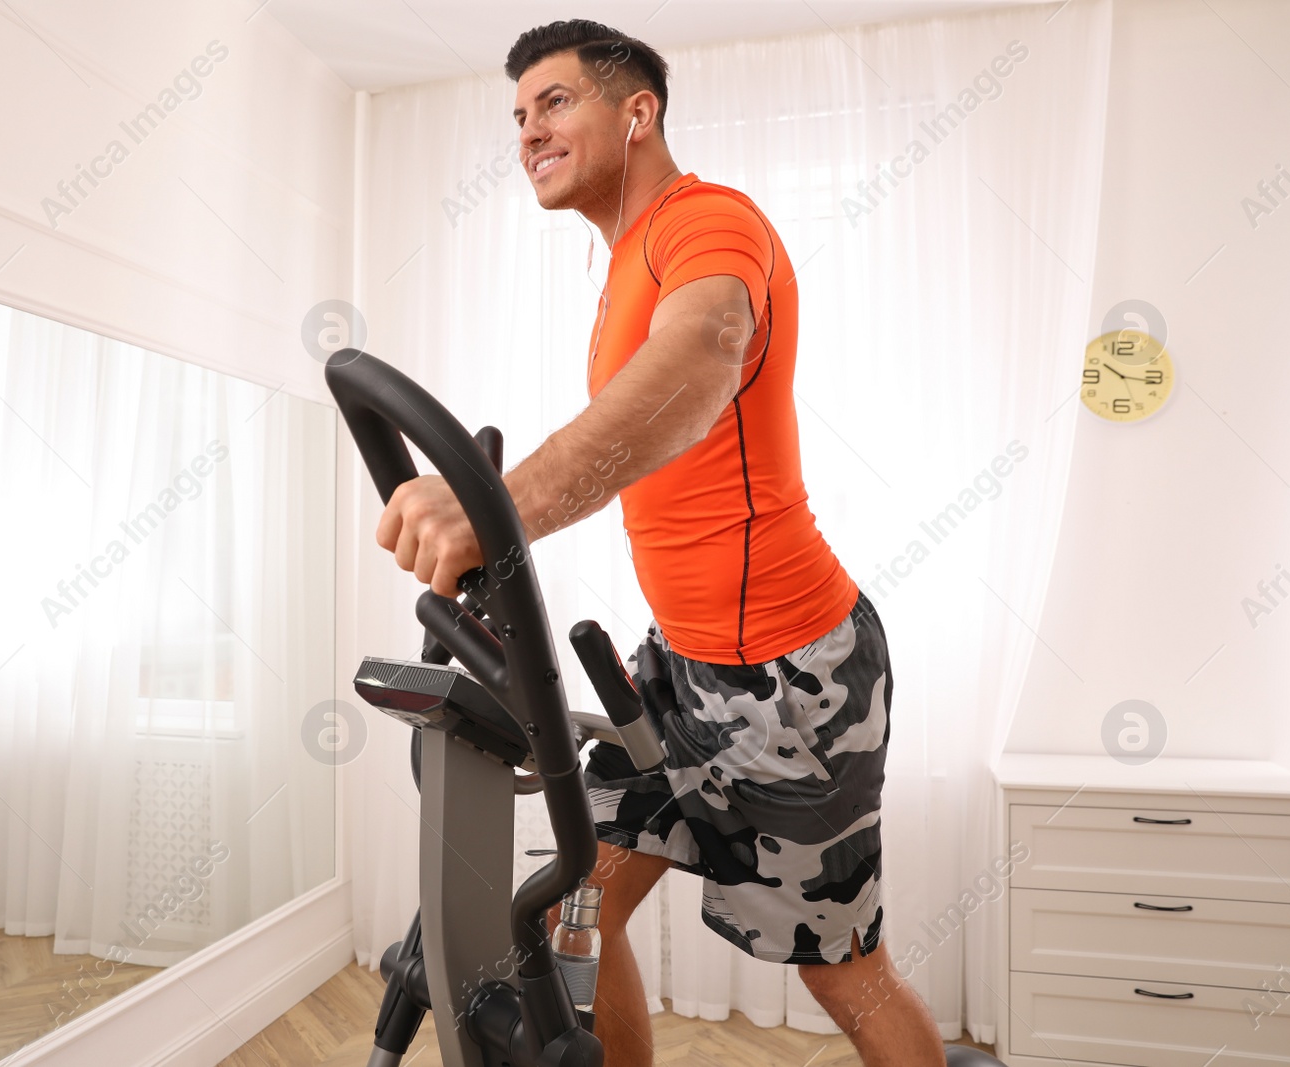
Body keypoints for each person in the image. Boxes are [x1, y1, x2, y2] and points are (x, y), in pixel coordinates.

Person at [375, 18, 946, 1067]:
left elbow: (705, 355)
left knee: (842, 970)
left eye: (553, 103)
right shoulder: (624, 260)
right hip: (677, 667)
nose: (527, 132)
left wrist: (493, 506)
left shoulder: (707, 222)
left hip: (793, 672)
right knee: (569, 905)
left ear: (636, 112)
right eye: (515, 115)